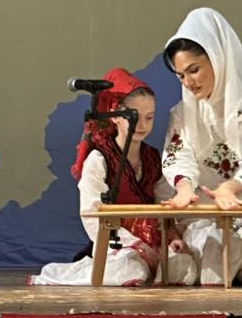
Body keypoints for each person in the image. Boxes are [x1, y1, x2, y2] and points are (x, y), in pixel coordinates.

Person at [30, 68, 196, 286]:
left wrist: (171, 236)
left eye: (149, 118)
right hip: (117, 243)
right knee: (131, 268)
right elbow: (91, 213)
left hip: (152, 240)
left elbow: (163, 203)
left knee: (184, 266)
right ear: (116, 115)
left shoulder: (153, 158)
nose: (143, 125)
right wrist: (132, 244)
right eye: (134, 117)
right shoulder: (99, 159)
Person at [160, 7, 242, 286]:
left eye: (194, 70)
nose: (188, 82)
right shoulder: (182, 113)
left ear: (219, 58)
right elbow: (178, 156)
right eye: (181, 76)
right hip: (201, 217)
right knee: (211, 255)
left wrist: (230, 188)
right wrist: (184, 187)